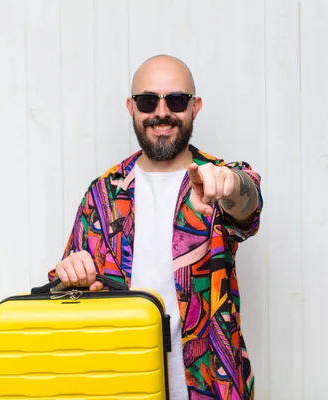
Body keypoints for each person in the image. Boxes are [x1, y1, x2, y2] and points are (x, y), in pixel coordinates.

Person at [48, 54, 263, 400]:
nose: (162, 113)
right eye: (148, 100)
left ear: (196, 107)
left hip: (211, 387)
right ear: (131, 108)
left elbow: (248, 208)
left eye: (176, 100)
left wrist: (232, 185)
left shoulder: (216, 178)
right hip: (120, 384)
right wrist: (70, 273)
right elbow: (63, 291)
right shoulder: (103, 193)